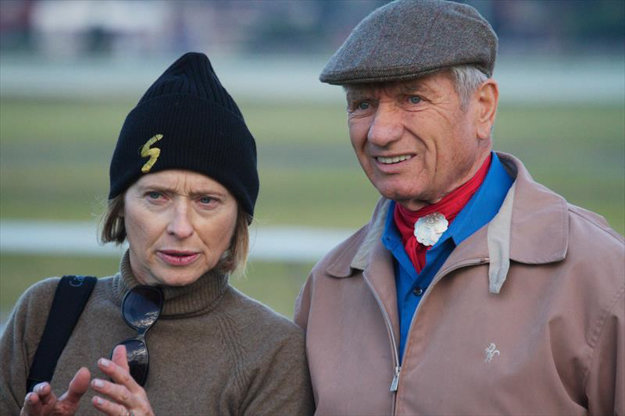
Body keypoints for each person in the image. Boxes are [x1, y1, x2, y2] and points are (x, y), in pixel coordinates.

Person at [294, 0, 624, 415]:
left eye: (413, 99)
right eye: (362, 105)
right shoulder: (328, 285)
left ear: (483, 108)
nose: (380, 132)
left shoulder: (600, 276)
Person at [1, 52, 314, 416]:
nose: (180, 227)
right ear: (120, 205)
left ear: (239, 219)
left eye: (207, 200)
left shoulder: (274, 353)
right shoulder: (44, 313)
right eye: (156, 196)